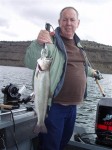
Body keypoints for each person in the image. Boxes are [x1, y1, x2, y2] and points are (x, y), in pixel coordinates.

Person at [24, 6, 99, 150]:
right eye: (65, 19)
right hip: (55, 107)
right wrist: (38, 43)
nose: (68, 23)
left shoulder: (79, 46)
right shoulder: (51, 42)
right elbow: (30, 61)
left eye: (72, 19)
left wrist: (93, 72)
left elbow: (80, 68)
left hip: (73, 107)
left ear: (78, 23)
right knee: (50, 146)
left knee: (63, 144)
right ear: (59, 21)